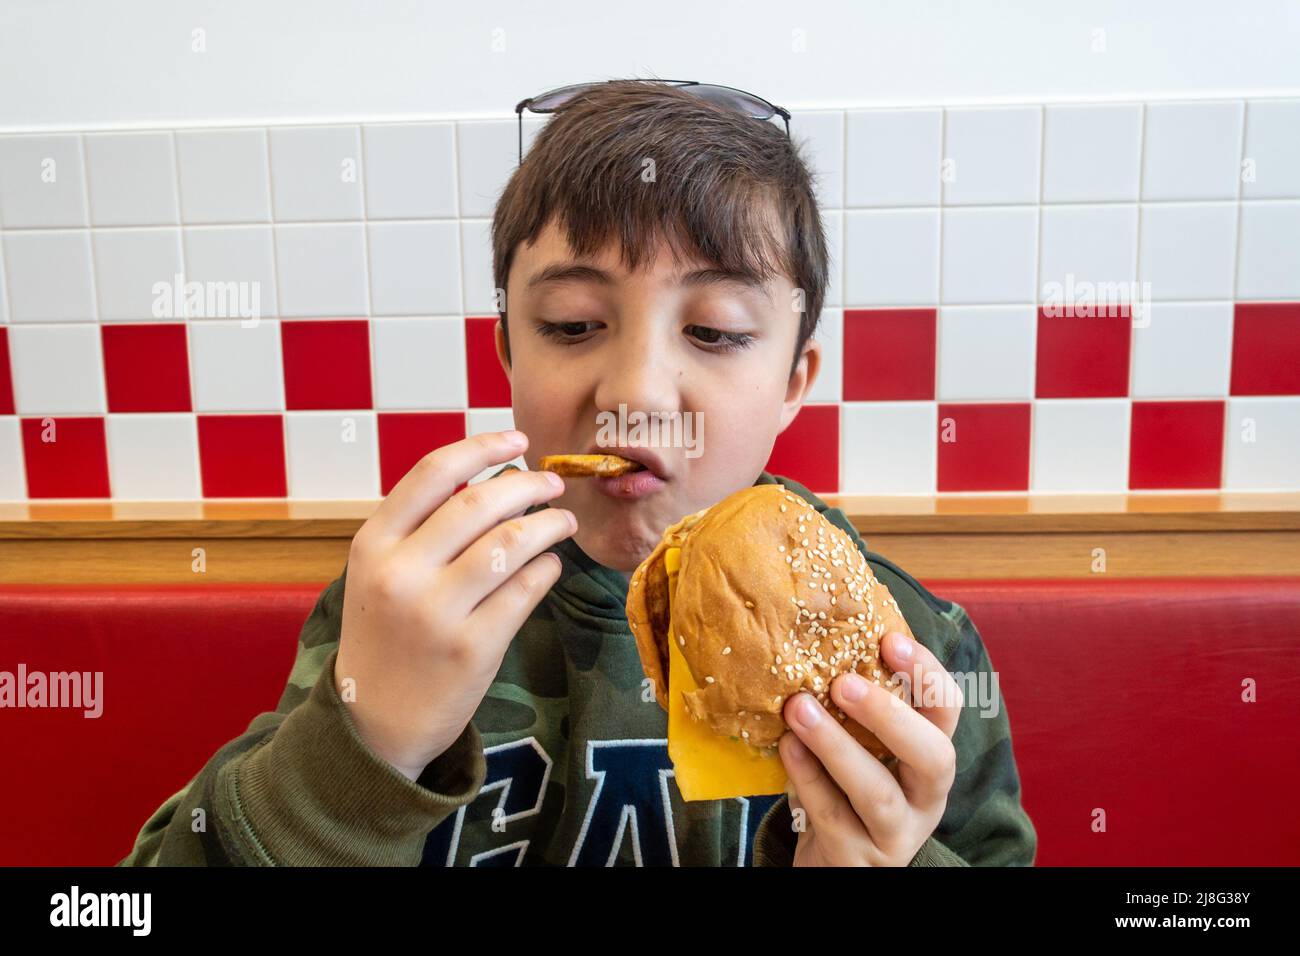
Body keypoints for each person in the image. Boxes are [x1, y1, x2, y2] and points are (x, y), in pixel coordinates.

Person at [119, 79, 1036, 867]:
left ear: (795, 381)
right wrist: (365, 751)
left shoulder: (911, 647)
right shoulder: (415, 607)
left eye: (713, 332)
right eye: (570, 325)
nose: (635, 390)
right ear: (508, 355)